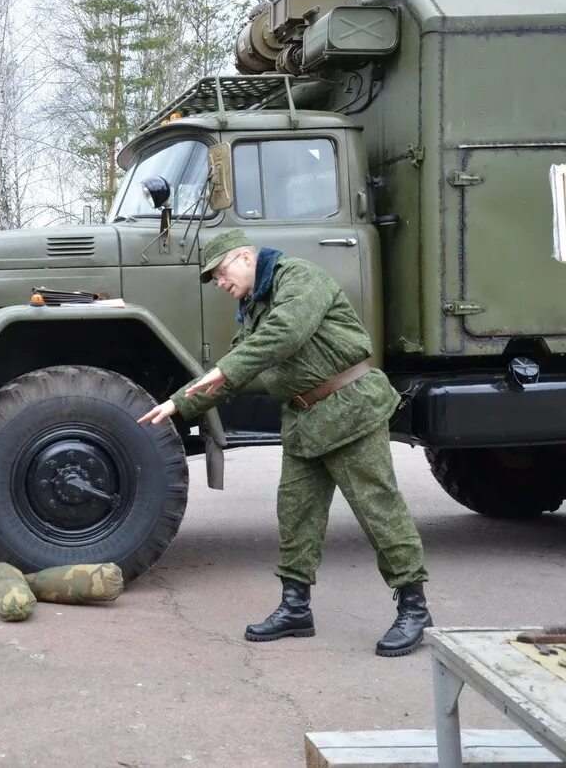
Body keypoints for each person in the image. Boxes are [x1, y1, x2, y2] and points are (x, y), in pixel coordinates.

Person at [139, 229, 432, 657]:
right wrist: (177, 403)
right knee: (295, 515)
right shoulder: (253, 306)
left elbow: (286, 333)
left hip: (349, 408)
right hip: (303, 419)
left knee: (378, 509)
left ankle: (414, 607)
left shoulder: (299, 278)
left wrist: (226, 369)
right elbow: (233, 370)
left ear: (244, 257)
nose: (220, 284)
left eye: (221, 273)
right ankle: (296, 607)